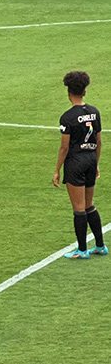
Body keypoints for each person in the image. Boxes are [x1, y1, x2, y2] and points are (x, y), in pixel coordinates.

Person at [52, 72, 107, 259]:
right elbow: (99, 142)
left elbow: (64, 147)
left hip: (75, 163)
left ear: (69, 93)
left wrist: (57, 170)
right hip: (91, 159)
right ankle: (100, 245)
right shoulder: (94, 112)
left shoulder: (67, 117)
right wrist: (96, 163)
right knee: (90, 205)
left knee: (79, 208)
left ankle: (82, 250)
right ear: (84, 92)